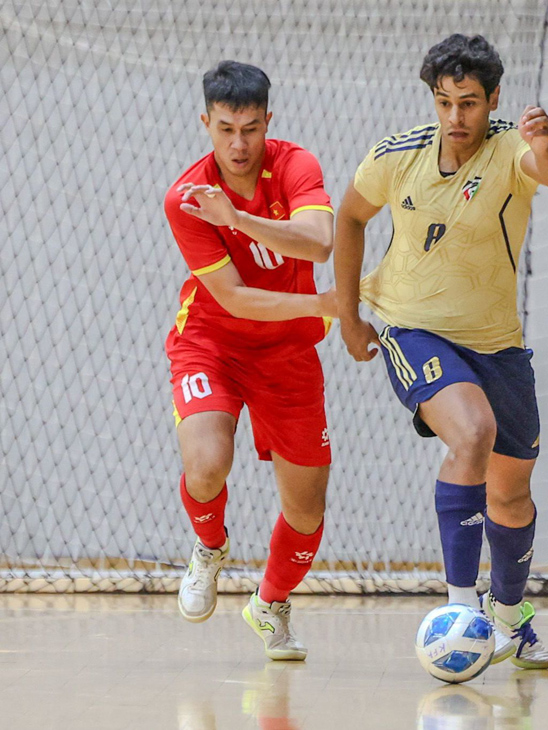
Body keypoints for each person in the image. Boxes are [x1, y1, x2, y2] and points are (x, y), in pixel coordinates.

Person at [334, 34, 548, 669]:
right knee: (471, 435)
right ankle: (461, 608)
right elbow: (349, 216)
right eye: (444, 103)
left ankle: (510, 613)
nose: (455, 118)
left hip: (497, 344)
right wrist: (350, 314)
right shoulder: (395, 156)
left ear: (493, 98)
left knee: (512, 493)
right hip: (413, 328)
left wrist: (546, 147)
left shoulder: (512, 149)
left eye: (468, 103)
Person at [164, 60, 336, 661]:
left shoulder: (296, 165)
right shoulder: (185, 199)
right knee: (207, 462)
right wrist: (323, 301)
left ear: (269, 122)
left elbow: (318, 241)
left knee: (307, 508)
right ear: (206, 123)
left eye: (251, 129)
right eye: (226, 129)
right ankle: (210, 548)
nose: (239, 144)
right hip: (211, 341)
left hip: (287, 352)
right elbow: (234, 297)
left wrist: (238, 219)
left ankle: (269, 603)